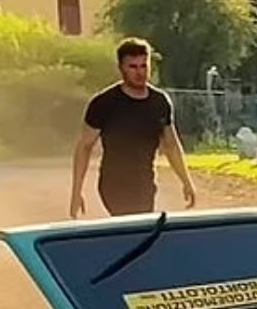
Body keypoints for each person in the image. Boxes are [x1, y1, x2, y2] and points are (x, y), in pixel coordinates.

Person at [70, 37, 197, 218]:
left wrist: (187, 182)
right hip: (114, 184)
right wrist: (76, 192)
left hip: (145, 183)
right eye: (133, 67)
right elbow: (84, 146)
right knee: (131, 221)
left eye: (144, 66)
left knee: (140, 224)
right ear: (121, 68)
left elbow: (171, 145)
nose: (139, 72)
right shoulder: (104, 103)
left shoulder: (160, 102)